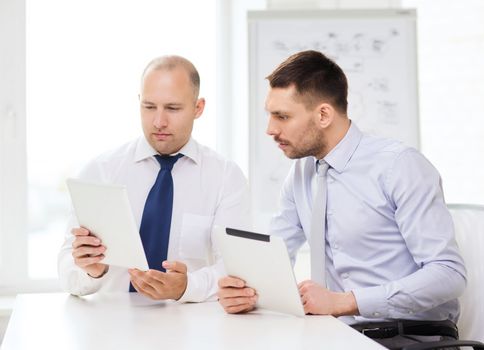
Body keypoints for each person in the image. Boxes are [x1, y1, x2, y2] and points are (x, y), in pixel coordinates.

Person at [217, 50, 466, 349]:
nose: (270, 129)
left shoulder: (399, 166)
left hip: (409, 338)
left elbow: (449, 274)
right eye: (270, 115)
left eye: (282, 116)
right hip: (334, 335)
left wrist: (346, 302)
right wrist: (245, 289)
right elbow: (275, 253)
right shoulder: (301, 171)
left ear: (323, 114)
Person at [58, 55, 249, 303]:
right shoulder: (101, 172)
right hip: (112, 330)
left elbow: (237, 269)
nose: (159, 122)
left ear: (198, 108)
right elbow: (67, 272)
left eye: (172, 108)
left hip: (191, 330)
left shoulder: (225, 177)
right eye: (149, 107)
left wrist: (187, 286)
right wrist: (91, 271)